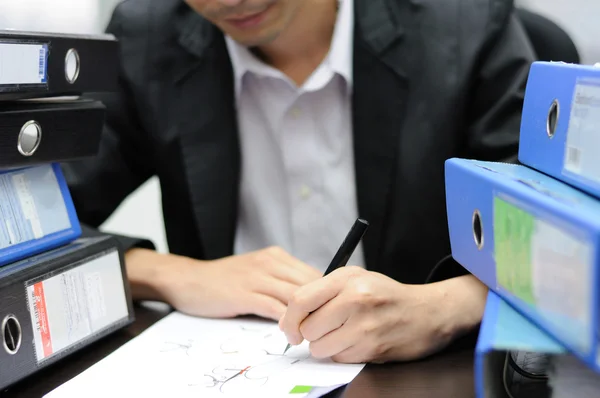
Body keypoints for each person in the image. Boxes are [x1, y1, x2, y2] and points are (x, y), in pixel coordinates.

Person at [62, 0, 536, 364]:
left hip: (428, 373)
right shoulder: (147, 37)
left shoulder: (462, 23)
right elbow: (28, 224)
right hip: (230, 369)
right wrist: (171, 275)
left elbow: (555, 232)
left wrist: (443, 310)